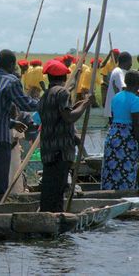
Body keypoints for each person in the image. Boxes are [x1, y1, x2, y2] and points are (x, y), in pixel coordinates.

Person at [0, 49, 38, 203]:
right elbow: (26, 104)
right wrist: (46, 102)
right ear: (11, 64)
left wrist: (11, 123)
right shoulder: (11, 81)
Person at [38, 60, 90, 211]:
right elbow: (69, 117)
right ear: (63, 78)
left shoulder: (45, 95)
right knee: (58, 190)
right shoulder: (62, 93)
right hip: (60, 151)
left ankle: (46, 216)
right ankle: (56, 222)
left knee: (49, 189)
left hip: (48, 151)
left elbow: (59, 117)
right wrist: (85, 105)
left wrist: (78, 105)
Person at [101, 70, 139, 191]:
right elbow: (136, 125)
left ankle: (109, 195)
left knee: (111, 171)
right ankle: (127, 197)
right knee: (127, 172)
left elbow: (113, 118)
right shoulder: (135, 100)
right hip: (126, 140)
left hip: (113, 136)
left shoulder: (116, 97)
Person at [104, 51, 132, 120]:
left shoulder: (121, 71)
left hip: (116, 109)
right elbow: (124, 88)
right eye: (130, 62)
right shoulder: (118, 71)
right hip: (115, 110)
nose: (131, 64)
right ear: (126, 62)